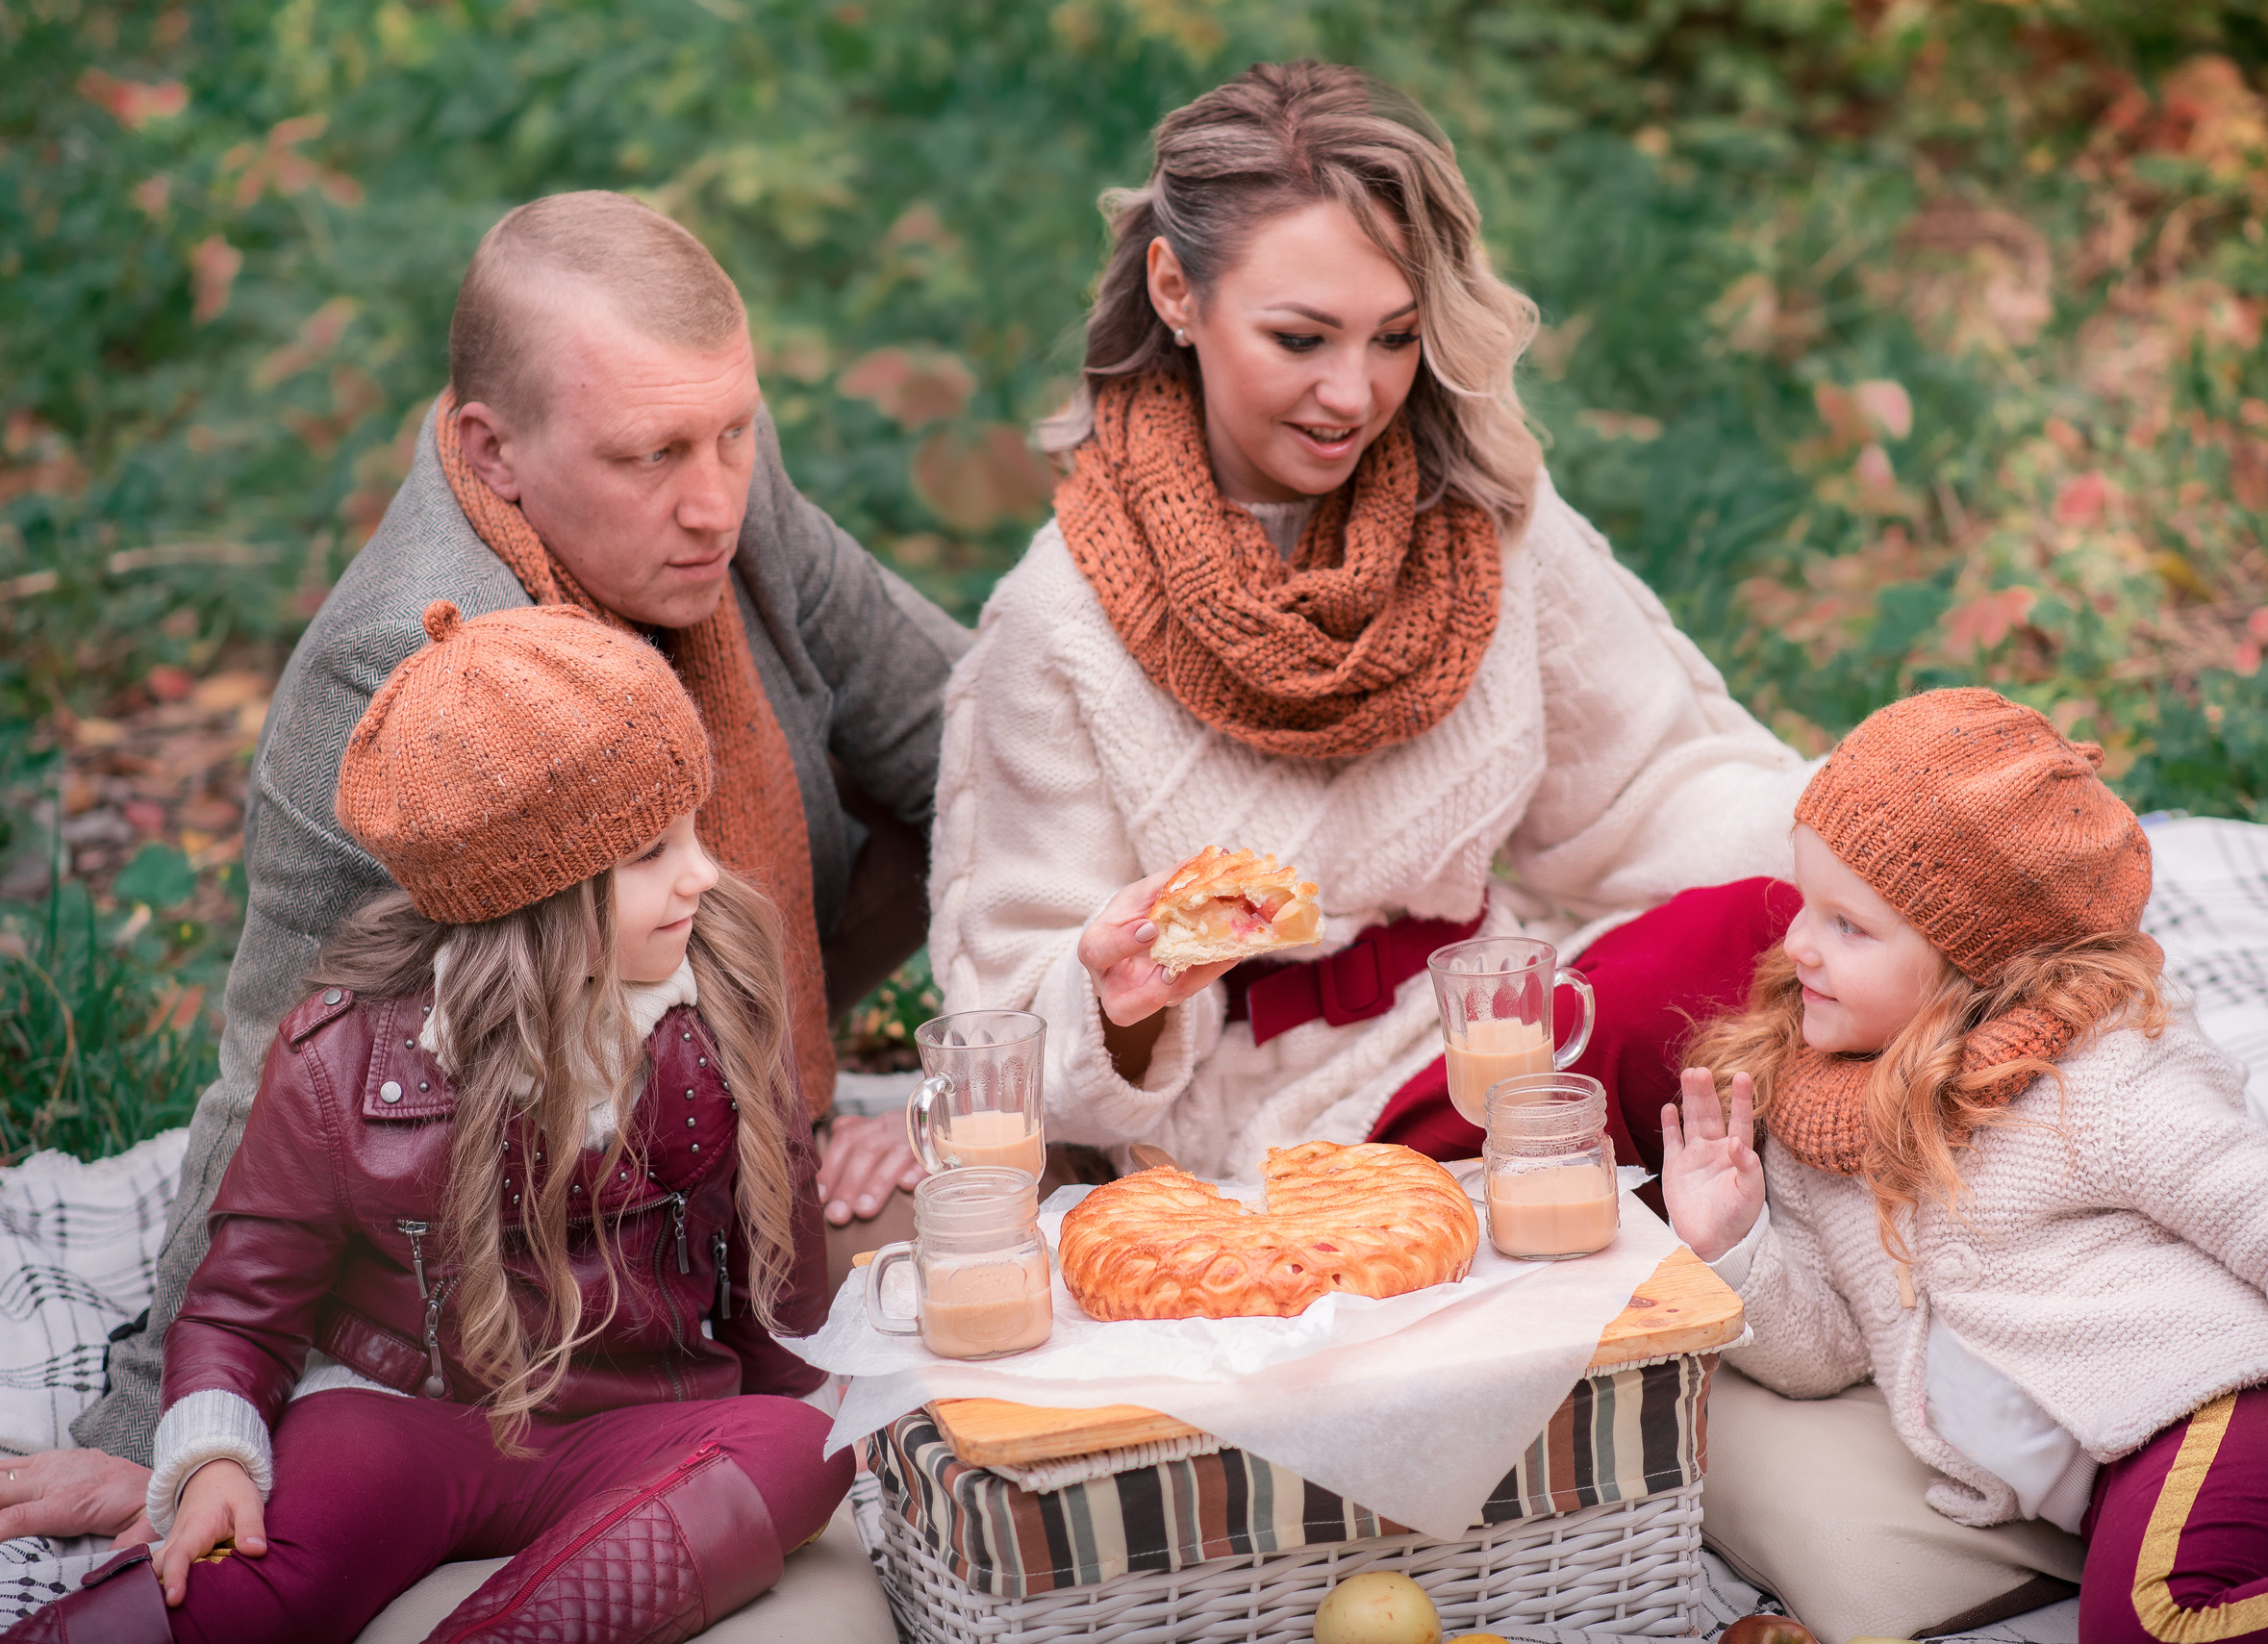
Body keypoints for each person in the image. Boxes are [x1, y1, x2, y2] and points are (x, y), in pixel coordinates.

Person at [0, 191, 962, 1545]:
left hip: (733, 1115)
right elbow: (277, 1050)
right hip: (533, 1242)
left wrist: (946, 1080)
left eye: (735, 433)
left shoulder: (723, 488)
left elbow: (971, 745)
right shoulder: (401, 670)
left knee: (1014, 1270)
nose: (715, 503)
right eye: (652, 456)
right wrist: (156, 1428)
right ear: (489, 450)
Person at [926, 61, 1810, 1183]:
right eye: (1301, 340)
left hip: (1506, 1031)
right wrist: (1112, 990)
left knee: (1817, 939)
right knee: (1754, 985)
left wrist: (1892, 829)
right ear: (1174, 289)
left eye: (1393, 337)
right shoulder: (1060, 619)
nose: (1354, 393)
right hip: (1266, 1124)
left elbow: (1656, 789)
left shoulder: (1479, 524)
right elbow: (1005, 1026)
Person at [2, 603, 848, 1644]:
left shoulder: (718, 1004)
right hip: (407, 1418)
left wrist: (813, 1401)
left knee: (804, 1446)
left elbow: (778, 1269)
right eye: (648, 853)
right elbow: (242, 1300)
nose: (702, 873)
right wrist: (215, 1450)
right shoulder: (345, 1055)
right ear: (533, 893)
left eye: (691, 831)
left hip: (638, 1421)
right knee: (261, 1570)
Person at [1661, 687, 2268, 1639]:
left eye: (1849, 926)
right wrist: (1733, 1241)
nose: (1796, 945)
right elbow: (1829, 1351)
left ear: (1975, 964)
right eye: (1804, 903)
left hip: (2230, 1417)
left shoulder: (2093, 1080)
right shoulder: (1813, 1120)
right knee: (2149, 1617)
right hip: (2131, 1486)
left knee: (2138, 1624)